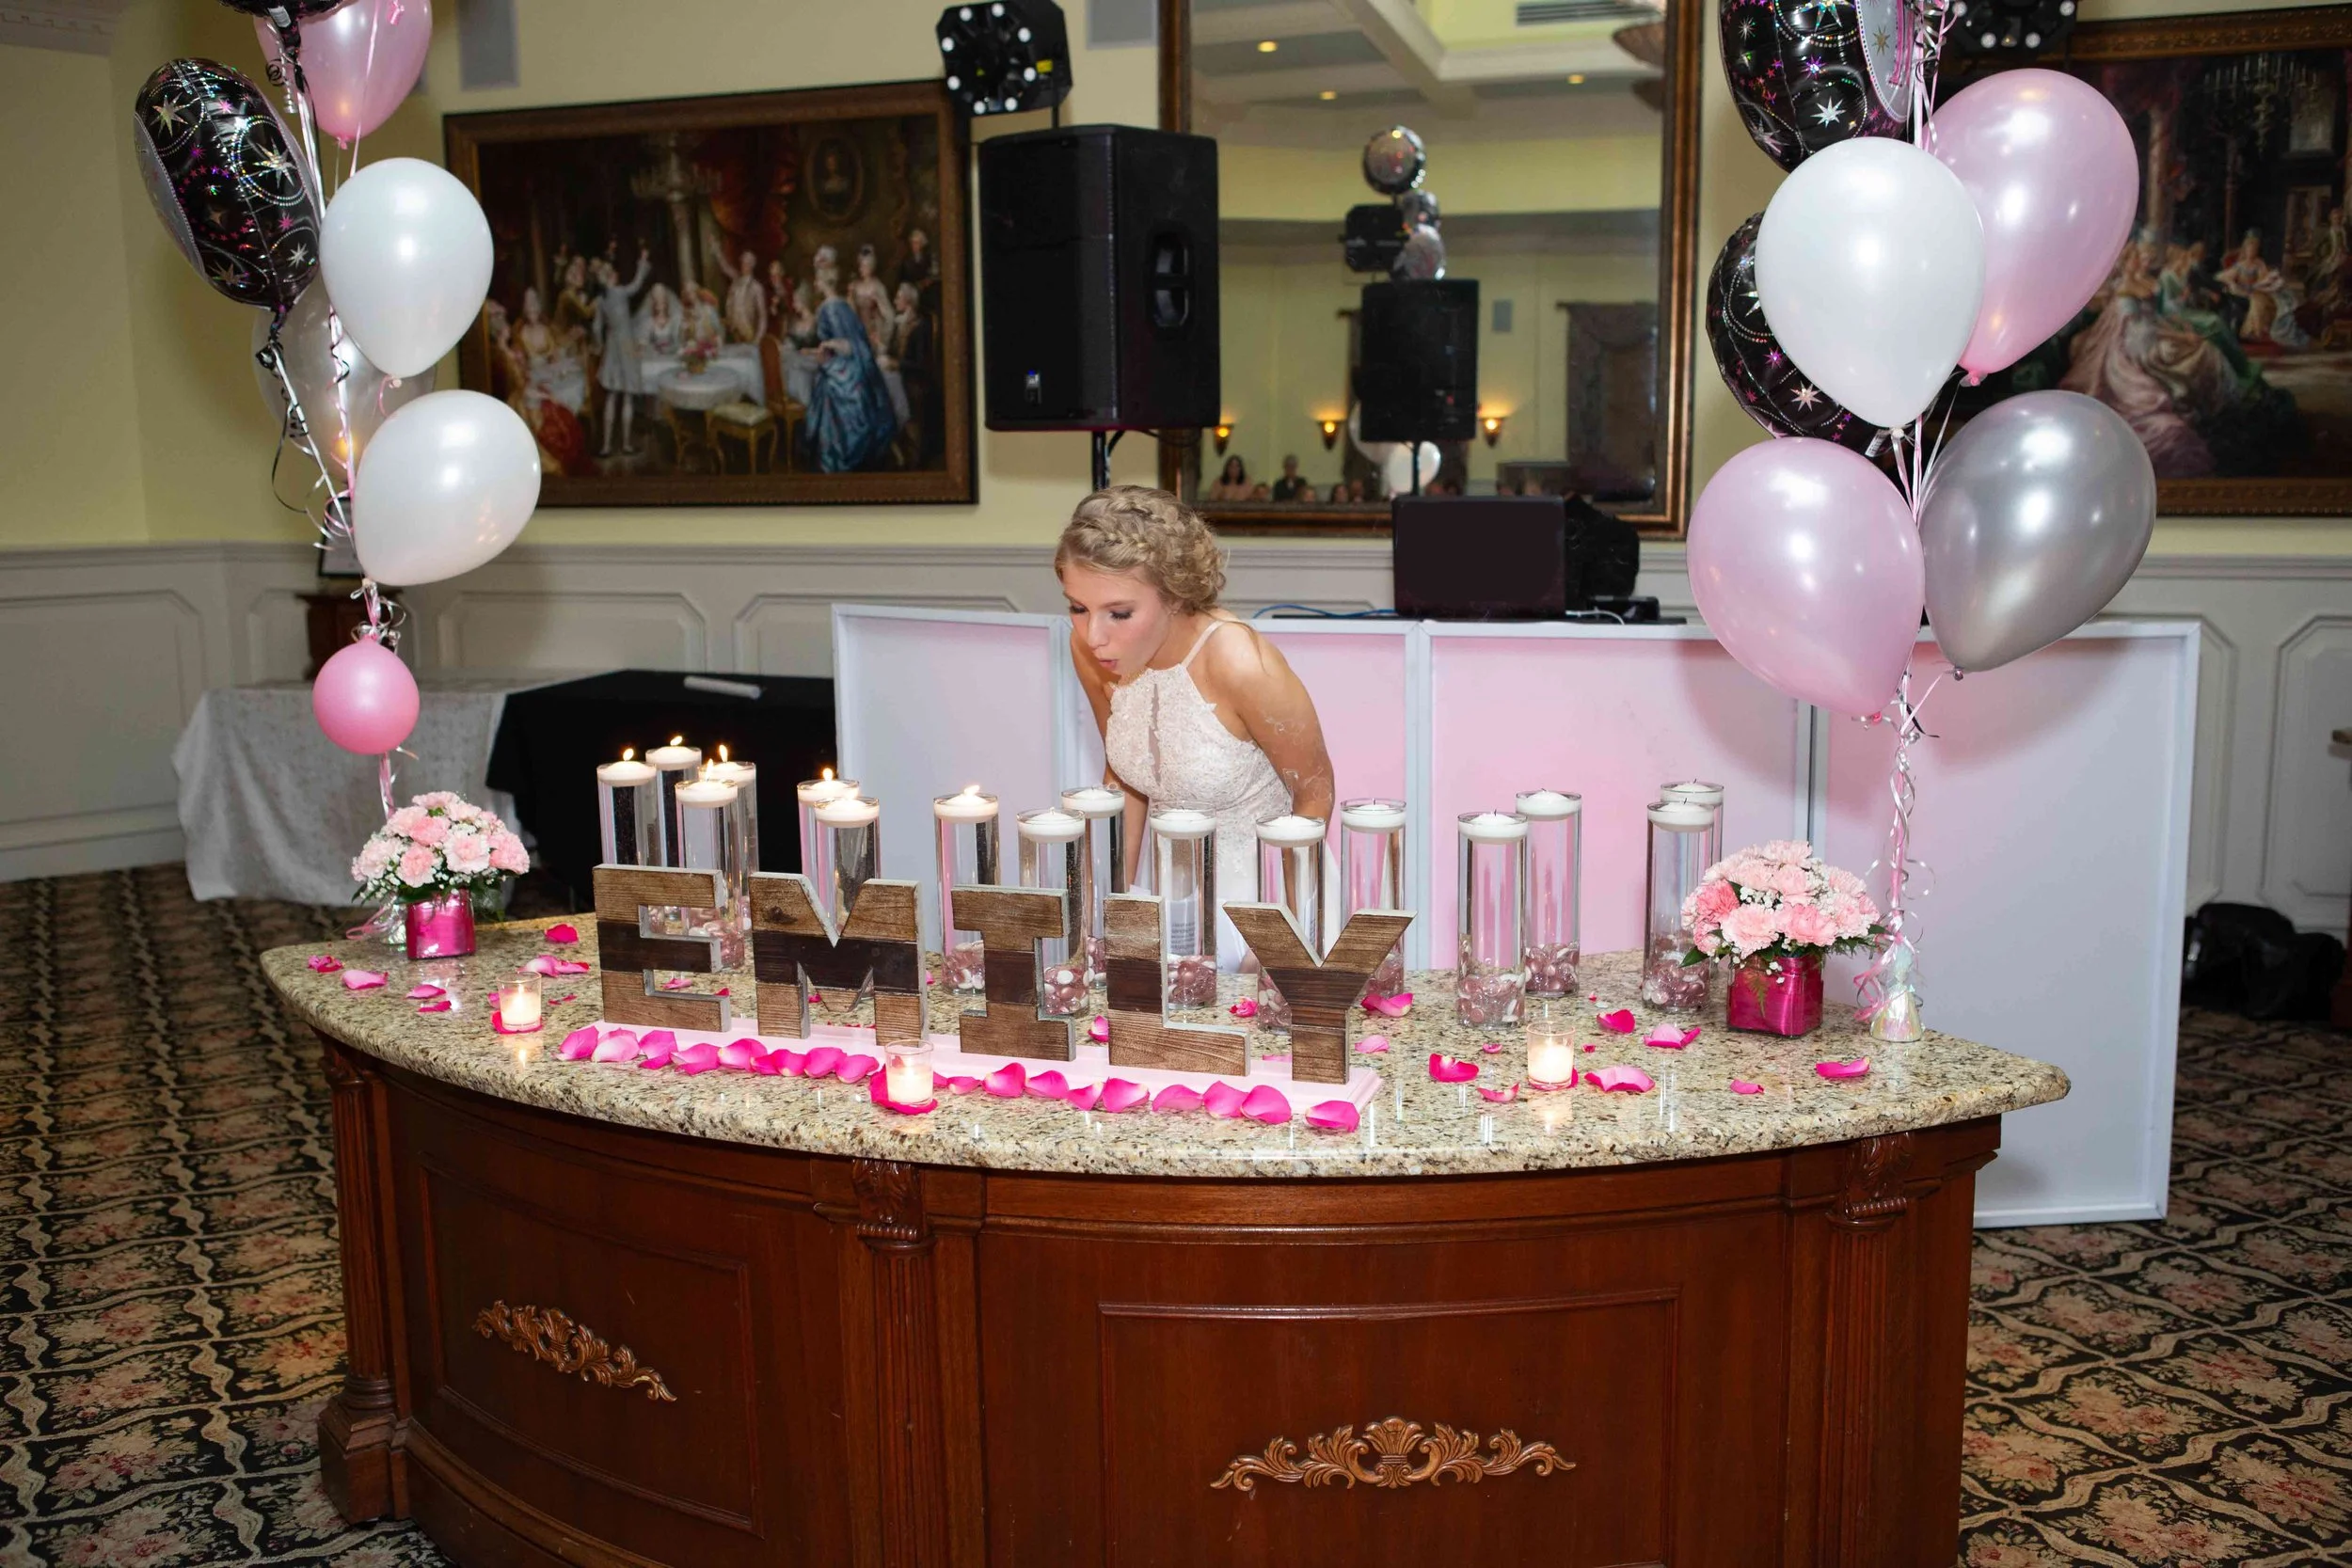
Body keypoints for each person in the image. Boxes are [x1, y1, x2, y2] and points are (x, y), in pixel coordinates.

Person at [1058, 486, 1335, 966]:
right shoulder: (1092, 652)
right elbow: (1124, 777)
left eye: (1119, 613)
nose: (1093, 635)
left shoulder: (1238, 662)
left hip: (1268, 906)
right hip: (1173, 910)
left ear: (1174, 595)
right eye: (1078, 608)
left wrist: (1282, 941)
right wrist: (1110, 916)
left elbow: (1314, 794)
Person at [803, 258, 899, 471]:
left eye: (817, 280)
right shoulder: (844, 304)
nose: (815, 284)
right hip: (854, 365)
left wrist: (826, 345)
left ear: (824, 283)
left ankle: (837, 459)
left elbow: (846, 345)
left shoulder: (828, 309)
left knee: (825, 390)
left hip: (844, 370)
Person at [592, 246, 655, 456]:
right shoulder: (618, 292)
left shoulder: (601, 300)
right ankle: (626, 444)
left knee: (612, 396)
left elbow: (596, 328)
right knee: (627, 396)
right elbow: (636, 285)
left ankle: (606, 446)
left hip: (612, 347)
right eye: (613, 273)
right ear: (610, 277)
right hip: (626, 346)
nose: (617, 275)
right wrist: (642, 261)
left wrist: (599, 345)